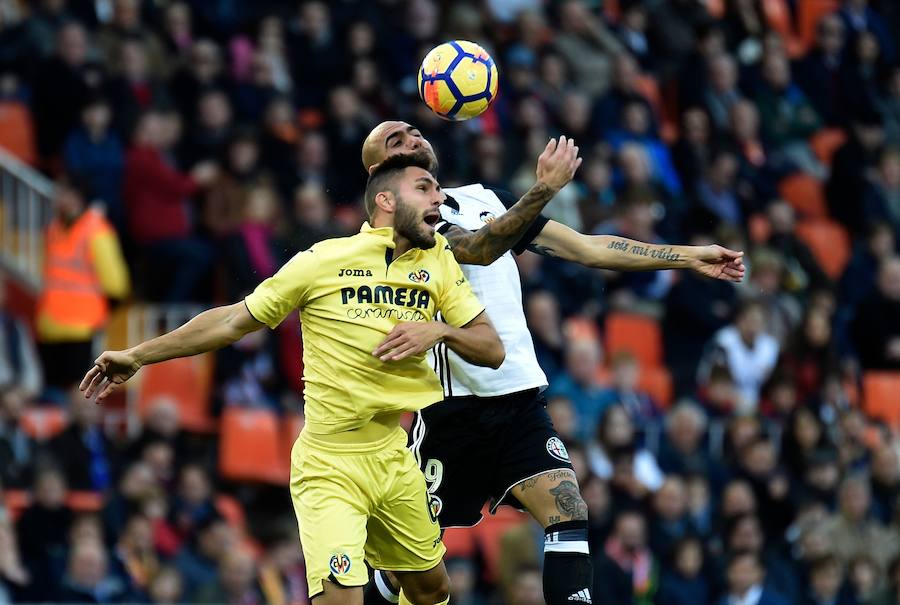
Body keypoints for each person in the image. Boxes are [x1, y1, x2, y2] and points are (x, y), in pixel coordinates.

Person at [81, 153, 508, 605]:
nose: (439, 198)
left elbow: (492, 350)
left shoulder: (437, 262)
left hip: (393, 455)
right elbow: (231, 322)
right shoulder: (323, 260)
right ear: (385, 199)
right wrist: (138, 354)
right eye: (424, 187)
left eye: (438, 189)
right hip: (330, 463)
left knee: (432, 589)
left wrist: (439, 329)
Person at [361, 120, 744, 605]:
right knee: (406, 568)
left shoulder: (486, 199)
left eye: (415, 132)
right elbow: (479, 248)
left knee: (568, 508)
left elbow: (586, 247)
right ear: (379, 173)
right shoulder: (396, 231)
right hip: (452, 414)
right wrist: (543, 188)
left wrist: (687, 256)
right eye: (396, 141)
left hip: (519, 403)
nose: (414, 140)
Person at [36, 175, 130, 393]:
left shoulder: (96, 229)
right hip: (50, 326)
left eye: (62, 192)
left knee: (77, 394)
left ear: (76, 197)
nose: (56, 197)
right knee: (51, 396)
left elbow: (116, 284)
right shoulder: (52, 229)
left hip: (81, 328)